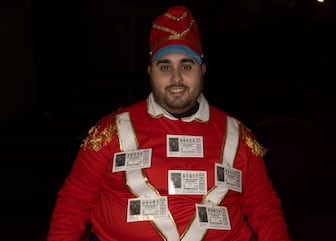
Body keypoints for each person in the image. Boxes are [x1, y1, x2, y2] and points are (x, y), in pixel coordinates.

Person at [47, 5, 292, 241]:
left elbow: (264, 207)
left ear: (202, 70)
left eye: (186, 65)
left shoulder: (239, 136)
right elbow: (75, 201)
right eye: (165, 66)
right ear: (150, 72)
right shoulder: (108, 132)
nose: (176, 78)